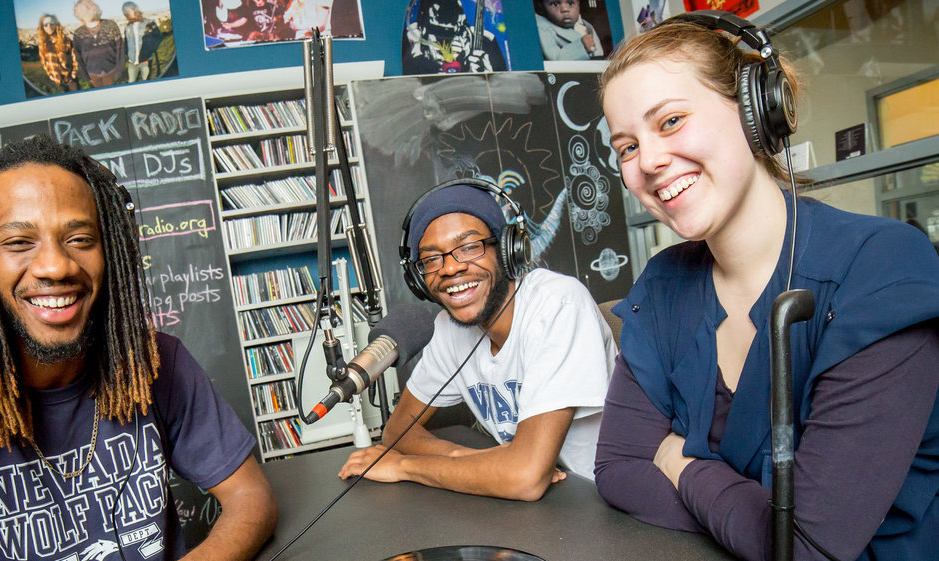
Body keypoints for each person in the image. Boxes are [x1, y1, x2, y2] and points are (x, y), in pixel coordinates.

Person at [0, 136, 278, 560]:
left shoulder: (157, 362)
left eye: (79, 239)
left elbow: (249, 495)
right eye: (18, 243)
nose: (55, 265)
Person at [596, 15, 939, 561]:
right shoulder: (662, 284)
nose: (650, 162)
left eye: (672, 121)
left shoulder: (882, 268)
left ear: (757, 112)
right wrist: (752, 514)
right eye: (627, 147)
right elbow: (617, 469)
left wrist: (678, 464)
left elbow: (803, 546)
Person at [337, 180, 617, 500]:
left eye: (470, 246)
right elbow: (397, 429)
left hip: (599, 504)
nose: (451, 268)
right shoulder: (448, 328)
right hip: (529, 508)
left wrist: (405, 467)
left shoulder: (558, 305)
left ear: (509, 249)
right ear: (418, 278)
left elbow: (525, 478)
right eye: (431, 259)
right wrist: (471, 459)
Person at [71, 0, 125, 88]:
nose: (85, 14)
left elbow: (120, 48)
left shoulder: (110, 25)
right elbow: (78, 56)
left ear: (94, 9)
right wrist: (85, 76)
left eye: (86, 10)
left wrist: (119, 71)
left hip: (111, 71)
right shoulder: (78, 33)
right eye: (81, 11)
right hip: (93, 75)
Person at [535, 0, 603, 61]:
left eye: (570, 3)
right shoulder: (543, 28)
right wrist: (582, 46)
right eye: (555, 4)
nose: (565, 9)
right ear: (542, 7)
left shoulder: (585, 25)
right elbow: (554, 58)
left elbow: (599, 55)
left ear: (578, 4)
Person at [121, 2, 165, 82]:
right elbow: (126, 43)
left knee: (146, 82)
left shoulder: (149, 23)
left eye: (129, 10)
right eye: (125, 11)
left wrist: (149, 50)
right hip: (132, 63)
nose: (127, 13)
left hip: (145, 61)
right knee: (131, 82)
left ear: (135, 9)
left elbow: (158, 37)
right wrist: (127, 54)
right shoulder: (127, 27)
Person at [36, 14, 79, 93]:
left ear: (56, 25)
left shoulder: (66, 41)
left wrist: (73, 74)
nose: (49, 26)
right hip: (57, 80)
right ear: (42, 27)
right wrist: (51, 75)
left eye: (51, 23)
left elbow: (75, 58)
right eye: (45, 24)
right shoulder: (42, 44)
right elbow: (43, 62)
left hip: (70, 79)